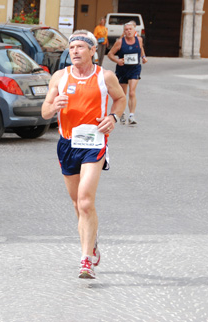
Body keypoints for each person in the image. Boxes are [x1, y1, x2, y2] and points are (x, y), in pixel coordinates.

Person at [41, 30, 126, 279]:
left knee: (86, 201)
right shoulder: (59, 77)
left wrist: (113, 117)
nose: (75, 51)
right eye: (72, 47)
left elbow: (120, 99)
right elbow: (46, 111)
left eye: (80, 47)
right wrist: (52, 106)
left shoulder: (105, 76)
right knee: (78, 204)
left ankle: (85, 259)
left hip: (93, 143)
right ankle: (92, 240)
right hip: (67, 144)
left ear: (92, 51)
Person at [107, 21, 147, 125]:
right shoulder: (120, 42)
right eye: (126, 30)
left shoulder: (139, 39)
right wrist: (118, 61)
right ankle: (122, 112)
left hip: (135, 68)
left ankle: (132, 116)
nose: (128, 31)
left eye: (130, 29)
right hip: (122, 69)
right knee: (122, 94)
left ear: (134, 30)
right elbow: (110, 54)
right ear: (124, 31)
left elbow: (141, 48)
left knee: (132, 92)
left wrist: (143, 57)